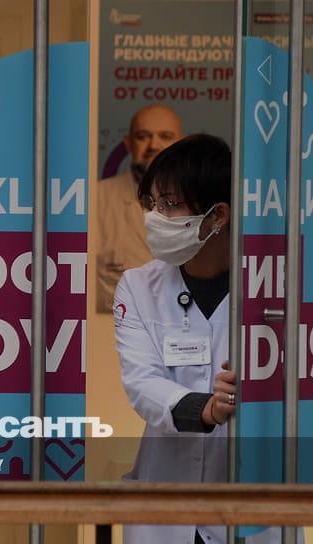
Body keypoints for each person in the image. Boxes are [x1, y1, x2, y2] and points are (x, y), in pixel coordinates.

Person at [114, 134, 237, 544]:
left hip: (246, 508)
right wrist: (207, 409)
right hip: (164, 510)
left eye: (170, 204)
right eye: (153, 203)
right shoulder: (137, 287)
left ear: (217, 216)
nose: (155, 217)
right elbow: (142, 382)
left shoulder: (269, 289)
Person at [96, 104, 183, 313]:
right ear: (128, 144)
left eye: (165, 136)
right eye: (143, 136)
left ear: (181, 144)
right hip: (111, 330)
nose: (154, 145)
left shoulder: (203, 202)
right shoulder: (96, 198)